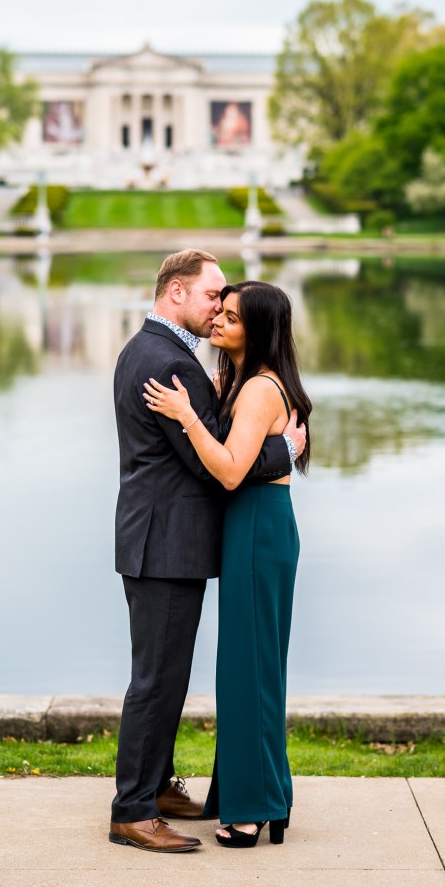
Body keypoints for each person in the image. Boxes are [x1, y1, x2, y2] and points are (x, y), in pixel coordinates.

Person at [109, 251, 306, 855]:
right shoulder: (173, 365)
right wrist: (285, 451)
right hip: (166, 543)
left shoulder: (146, 349)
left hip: (161, 537)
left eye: (228, 303)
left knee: (165, 674)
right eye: (212, 296)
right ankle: (134, 811)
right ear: (175, 293)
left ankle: (159, 787)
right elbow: (212, 462)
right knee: (157, 680)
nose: (218, 308)